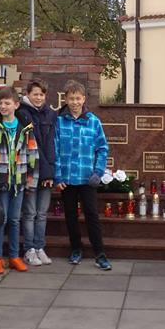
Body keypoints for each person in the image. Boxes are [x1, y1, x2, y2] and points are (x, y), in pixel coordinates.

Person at [54, 80, 112, 270]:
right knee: (70, 215)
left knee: (92, 215)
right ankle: (76, 249)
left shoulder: (93, 121)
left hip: (87, 178)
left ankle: (100, 253)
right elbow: (53, 149)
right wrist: (58, 176)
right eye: (71, 98)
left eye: (78, 98)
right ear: (66, 99)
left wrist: (98, 172)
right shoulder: (59, 121)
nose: (75, 102)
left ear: (84, 99)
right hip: (68, 178)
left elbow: (102, 148)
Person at [0, 86, 38, 274]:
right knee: (1, 219)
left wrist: (32, 180)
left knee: (15, 220)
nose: (3, 106)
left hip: (19, 181)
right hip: (1, 182)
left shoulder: (25, 127)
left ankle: (14, 256)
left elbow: (33, 154)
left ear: (16, 104)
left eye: (7, 103)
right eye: (0, 103)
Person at [20, 80, 57, 266]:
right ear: (28, 94)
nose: (38, 97)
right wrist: (45, 171)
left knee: (41, 213)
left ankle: (40, 247)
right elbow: (33, 146)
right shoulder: (22, 113)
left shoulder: (51, 114)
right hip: (30, 171)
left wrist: (50, 172)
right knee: (30, 212)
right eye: (35, 94)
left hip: (47, 172)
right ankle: (29, 249)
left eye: (41, 94)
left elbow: (50, 144)